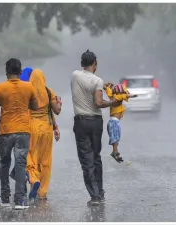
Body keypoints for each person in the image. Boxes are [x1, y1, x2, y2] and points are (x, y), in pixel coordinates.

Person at [70, 49, 121, 206]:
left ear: (81, 64)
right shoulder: (97, 80)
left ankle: (95, 196)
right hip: (95, 122)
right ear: (95, 64)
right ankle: (100, 192)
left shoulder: (74, 75)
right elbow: (99, 103)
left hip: (81, 122)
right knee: (96, 157)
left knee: (87, 160)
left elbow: (85, 87)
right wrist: (114, 102)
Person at [0, 58, 38, 210]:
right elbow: (35, 106)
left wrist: (2, 101)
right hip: (23, 130)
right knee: (21, 163)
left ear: (7, 73)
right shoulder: (28, 86)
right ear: (20, 72)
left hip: (5, 132)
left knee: (4, 163)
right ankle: (20, 200)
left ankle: (4, 198)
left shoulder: (0, 87)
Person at [25, 69, 62, 200]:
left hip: (32, 127)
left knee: (30, 155)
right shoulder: (48, 91)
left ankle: (34, 179)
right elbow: (55, 111)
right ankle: (42, 192)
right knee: (45, 160)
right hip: (47, 128)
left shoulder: (28, 91)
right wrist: (59, 103)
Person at [104, 83, 137, 162]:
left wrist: (107, 87)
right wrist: (133, 95)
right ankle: (115, 152)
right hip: (114, 122)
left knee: (116, 137)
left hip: (112, 122)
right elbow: (126, 95)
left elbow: (107, 90)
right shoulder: (118, 97)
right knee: (115, 138)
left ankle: (114, 151)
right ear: (120, 92)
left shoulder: (112, 95)